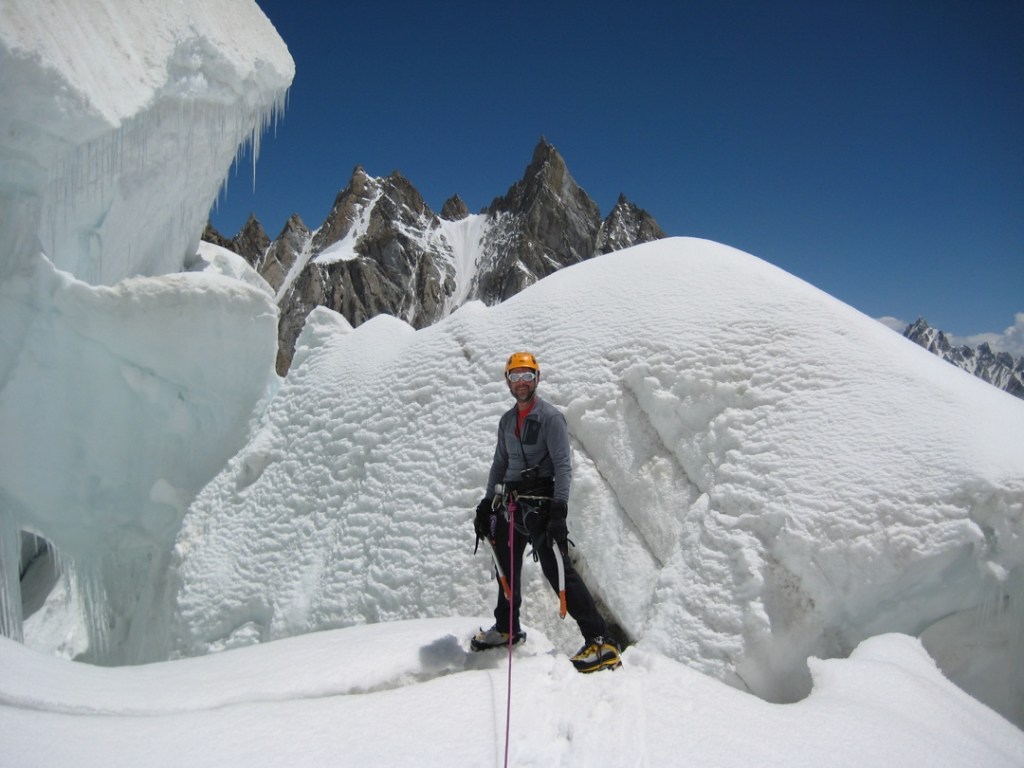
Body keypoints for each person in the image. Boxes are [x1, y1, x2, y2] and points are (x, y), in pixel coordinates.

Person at [471, 351, 621, 673]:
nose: (521, 383)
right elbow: (499, 464)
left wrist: (558, 511)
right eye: (515, 376)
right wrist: (486, 504)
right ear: (508, 382)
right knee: (506, 566)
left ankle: (601, 641)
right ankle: (507, 627)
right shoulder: (507, 422)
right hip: (511, 506)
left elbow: (563, 467)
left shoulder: (551, 418)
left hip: (539, 505)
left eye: (527, 376)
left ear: (537, 378)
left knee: (557, 570)